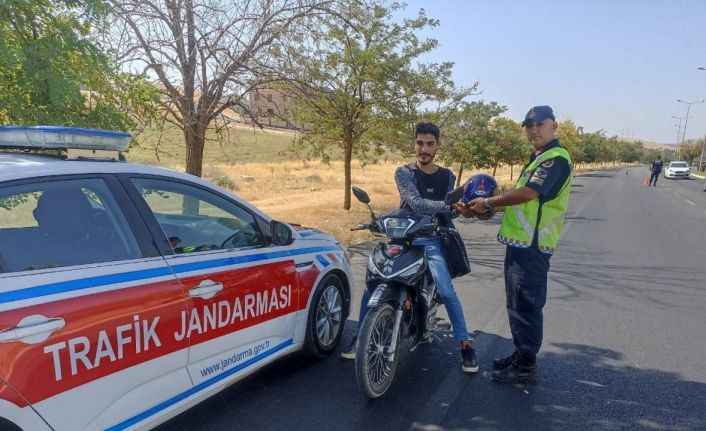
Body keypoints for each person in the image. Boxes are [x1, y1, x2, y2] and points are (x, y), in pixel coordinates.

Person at [341, 122, 478, 373]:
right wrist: (447, 207)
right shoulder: (403, 173)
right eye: (419, 143)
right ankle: (362, 335)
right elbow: (414, 202)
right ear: (414, 143)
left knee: (446, 291)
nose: (423, 149)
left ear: (438, 146)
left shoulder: (447, 177)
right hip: (401, 238)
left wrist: (459, 210)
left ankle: (465, 344)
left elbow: (450, 213)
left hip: (431, 240)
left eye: (429, 144)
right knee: (373, 283)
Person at [466, 105, 573, 384]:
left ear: (554, 125)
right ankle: (520, 354)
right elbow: (518, 201)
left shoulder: (556, 159)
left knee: (526, 305)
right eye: (529, 125)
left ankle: (526, 366)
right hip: (520, 245)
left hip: (533, 247)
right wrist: (484, 207)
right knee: (516, 304)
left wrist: (488, 202)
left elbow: (528, 194)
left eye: (540, 124)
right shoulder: (537, 159)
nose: (534, 129)